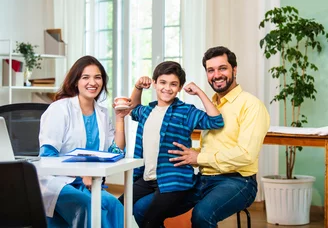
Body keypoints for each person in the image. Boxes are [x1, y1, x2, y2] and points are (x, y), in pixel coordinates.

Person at [134, 46, 270, 228]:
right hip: (204, 179)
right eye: (211, 70)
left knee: (202, 215)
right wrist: (191, 154)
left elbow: (246, 155)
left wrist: (199, 157)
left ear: (234, 70)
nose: (217, 75)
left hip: (238, 181)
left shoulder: (251, 105)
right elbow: (214, 146)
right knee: (142, 208)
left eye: (222, 68)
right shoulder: (212, 104)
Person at [119, 61, 224, 228]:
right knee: (118, 207)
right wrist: (138, 87)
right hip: (147, 177)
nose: (167, 88)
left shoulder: (185, 112)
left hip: (173, 180)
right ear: (154, 83)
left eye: (173, 84)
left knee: (149, 221)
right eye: (162, 82)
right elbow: (133, 108)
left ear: (180, 87)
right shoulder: (147, 111)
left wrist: (199, 92)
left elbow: (216, 121)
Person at [38, 55, 129, 228]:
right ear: (75, 82)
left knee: (115, 206)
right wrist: (81, 173)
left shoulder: (102, 113)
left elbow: (115, 152)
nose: (92, 82)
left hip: (88, 182)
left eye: (98, 77)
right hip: (58, 181)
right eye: (85, 77)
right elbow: (47, 156)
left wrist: (119, 119)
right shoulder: (60, 109)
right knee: (87, 207)